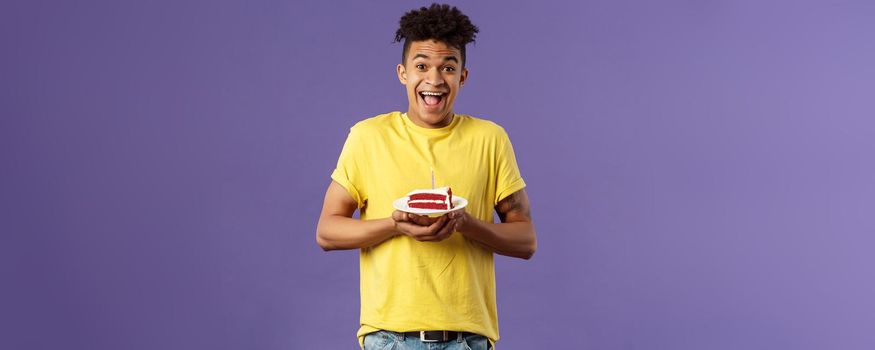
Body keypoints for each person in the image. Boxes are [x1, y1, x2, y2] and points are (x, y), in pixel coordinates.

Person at [316, 3, 536, 349]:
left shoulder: (490, 139)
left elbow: (526, 241)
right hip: (389, 338)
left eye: (447, 67)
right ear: (403, 73)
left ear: (462, 76)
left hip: (468, 340)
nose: (434, 80)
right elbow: (327, 231)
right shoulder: (368, 137)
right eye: (422, 66)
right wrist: (394, 225)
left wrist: (467, 224)